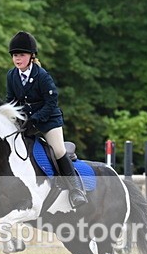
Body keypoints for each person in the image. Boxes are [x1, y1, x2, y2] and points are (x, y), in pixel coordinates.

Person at [5, 31, 88, 208]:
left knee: (58, 150)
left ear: (31, 56)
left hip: (48, 120)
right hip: (27, 121)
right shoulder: (11, 76)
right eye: (15, 55)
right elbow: (11, 100)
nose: (17, 59)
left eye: (21, 55)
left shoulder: (42, 75)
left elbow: (51, 103)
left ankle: (75, 190)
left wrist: (35, 119)